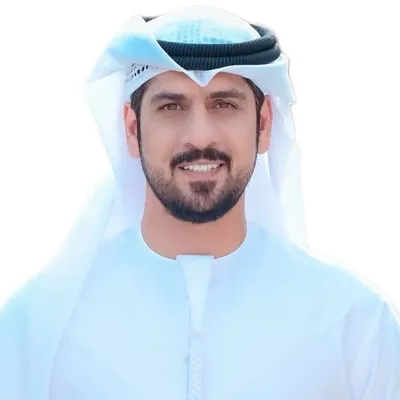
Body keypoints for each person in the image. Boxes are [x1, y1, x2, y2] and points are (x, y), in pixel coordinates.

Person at [1, 6, 399, 399]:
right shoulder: (37, 327)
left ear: (263, 125)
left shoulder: (352, 322)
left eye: (224, 104)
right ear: (132, 128)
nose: (200, 136)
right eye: (171, 107)